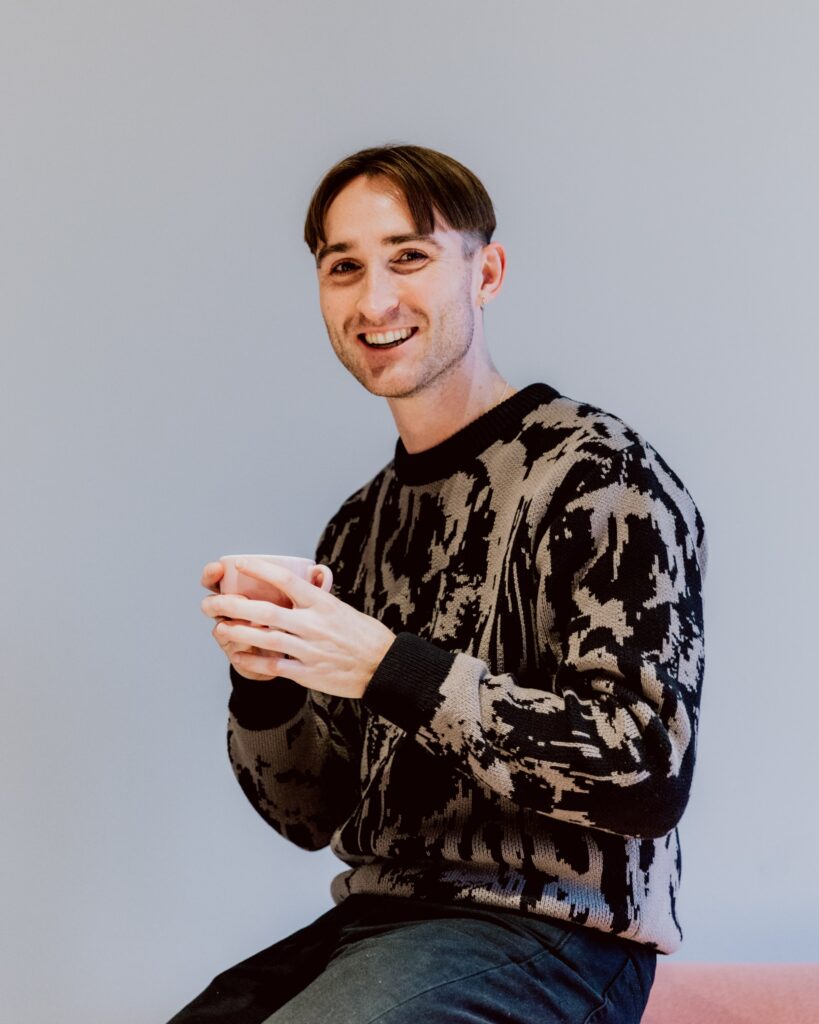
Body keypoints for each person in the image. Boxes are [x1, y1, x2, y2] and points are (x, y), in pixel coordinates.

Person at [172, 144, 707, 1024]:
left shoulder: (595, 473)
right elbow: (313, 814)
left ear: (485, 271)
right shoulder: (358, 523)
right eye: (343, 267)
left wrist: (390, 666)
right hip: (380, 920)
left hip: (556, 935)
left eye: (409, 257)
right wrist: (263, 681)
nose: (373, 299)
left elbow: (644, 774)